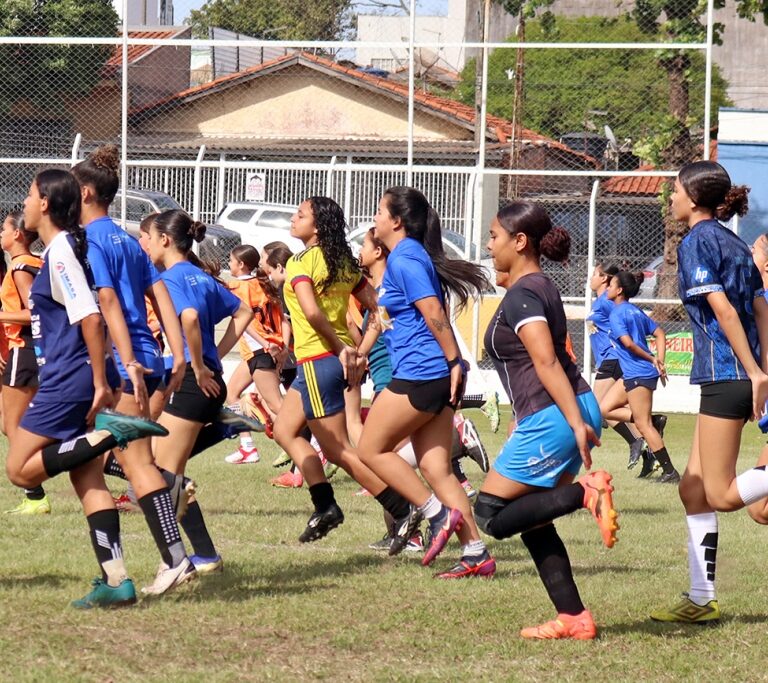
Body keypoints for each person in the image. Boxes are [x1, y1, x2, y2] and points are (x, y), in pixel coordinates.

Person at [5, 169, 168, 608]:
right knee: (87, 477)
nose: (24, 201)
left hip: (70, 378)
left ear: (46, 204)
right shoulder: (63, 248)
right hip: (73, 375)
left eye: (30, 193)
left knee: (20, 469)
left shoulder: (59, 251)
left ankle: (109, 434)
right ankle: (116, 580)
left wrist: (100, 381)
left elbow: (90, 317)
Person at [472, 200, 618, 640]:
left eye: (495, 236)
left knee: (491, 514)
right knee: (534, 520)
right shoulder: (534, 286)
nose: (488, 243)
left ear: (520, 242)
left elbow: (546, 361)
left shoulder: (524, 294)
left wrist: (573, 423)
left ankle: (585, 493)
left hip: (557, 412)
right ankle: (574, 618)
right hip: (558, 410)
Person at [650, 160, 768, 624]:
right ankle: (701, 599)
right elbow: (761, 308)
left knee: (718, 493)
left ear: (694, 198)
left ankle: (702, 598)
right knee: (692, 488)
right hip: (737, 374)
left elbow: (725, 310)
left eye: (675, 189)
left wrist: (754, 373)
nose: (670, 196)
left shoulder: (698, 240)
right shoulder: (735, 241)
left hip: (728, 376)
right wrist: (762, 370)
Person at [356, 186, 494, 578]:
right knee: (436, 468)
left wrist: (454, 360)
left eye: (380, 211)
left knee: (370, 448)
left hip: (423, 372)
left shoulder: (405, 258)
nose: (376, 218)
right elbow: (391, 315)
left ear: (397, 221)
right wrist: (360, 351)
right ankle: (476, 552)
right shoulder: (405, 258)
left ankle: (435, 515)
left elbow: (433, 309)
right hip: (431, 372)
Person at [272, 196, 415, 544]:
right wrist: (363, 349)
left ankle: (401, 509)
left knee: (339, 449)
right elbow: (380, 309)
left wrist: (346, 351)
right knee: (284, 432)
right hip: (325, 362)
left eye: (300, 214)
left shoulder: (300, 262)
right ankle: (325, 505)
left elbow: (312, 312)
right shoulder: (344, 263)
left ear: (317, 226)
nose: (294, 218)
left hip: (320, 361)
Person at [145, 208, 253, 574]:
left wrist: (199, 363)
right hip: (204, 381)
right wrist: (215, 357)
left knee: (163, 477)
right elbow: (244, 312)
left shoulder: (173, 277)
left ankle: (177, 564)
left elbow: (189, 318)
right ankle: (204, 555)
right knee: (165, 474)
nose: (143, 245)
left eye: (147, 238)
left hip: (194, 382)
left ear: (165, 240)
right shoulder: (200, 276)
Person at [599, 271, 680, 483]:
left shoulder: (617, 314)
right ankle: (654, 420)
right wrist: (659, 360)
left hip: (639, 372)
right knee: (605, 409)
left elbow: (629, 344)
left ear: (619, 291)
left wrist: (654, 359)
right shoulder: (634, 311)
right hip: (633, 372)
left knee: (643, 426)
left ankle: (670, 471)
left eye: (611, 285)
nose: (607, 288)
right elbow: (660, 333)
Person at [0, 211, 47, 514]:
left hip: (24, 349)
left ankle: (35, 495)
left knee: (13, 425)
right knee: (9, 424)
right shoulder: (34, 264)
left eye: (3, 227)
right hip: (28, 352)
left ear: (17, 234)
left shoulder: (20, 267)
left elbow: (35, 314)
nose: (0, 233)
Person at [223, 244, 287, 465]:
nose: (228, 264)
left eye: (231, 260)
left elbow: (246, 320)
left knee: (277, 405)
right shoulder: (263, 283)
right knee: (232, 392)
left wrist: (266, 343)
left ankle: (313, 443)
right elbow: (283, 319)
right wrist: (282, 345)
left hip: (260, 350)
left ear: (241, 265)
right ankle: (247, 447)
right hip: (261, 350)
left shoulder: (237, 286)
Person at [586, 262, 647, 469]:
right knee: (613, 408)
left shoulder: (606, 301)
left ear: (604, 278)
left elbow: (624, 311)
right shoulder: (600, 302)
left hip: (612, 359)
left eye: (594, 274)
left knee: (600, 408)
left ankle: (637, 439)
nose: (590, 278)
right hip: (609, 360)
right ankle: (651, 451)